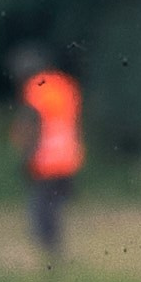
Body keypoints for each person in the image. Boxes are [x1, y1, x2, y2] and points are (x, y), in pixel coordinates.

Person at [10, 48, 85, 257]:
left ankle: (52, 257)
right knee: (55, 208)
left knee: (42, 211)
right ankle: (55, 255)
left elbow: (32, 125)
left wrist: (26, 157)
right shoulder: (65, 85)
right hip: (69, 157)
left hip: (45, 160)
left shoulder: (36, 89)